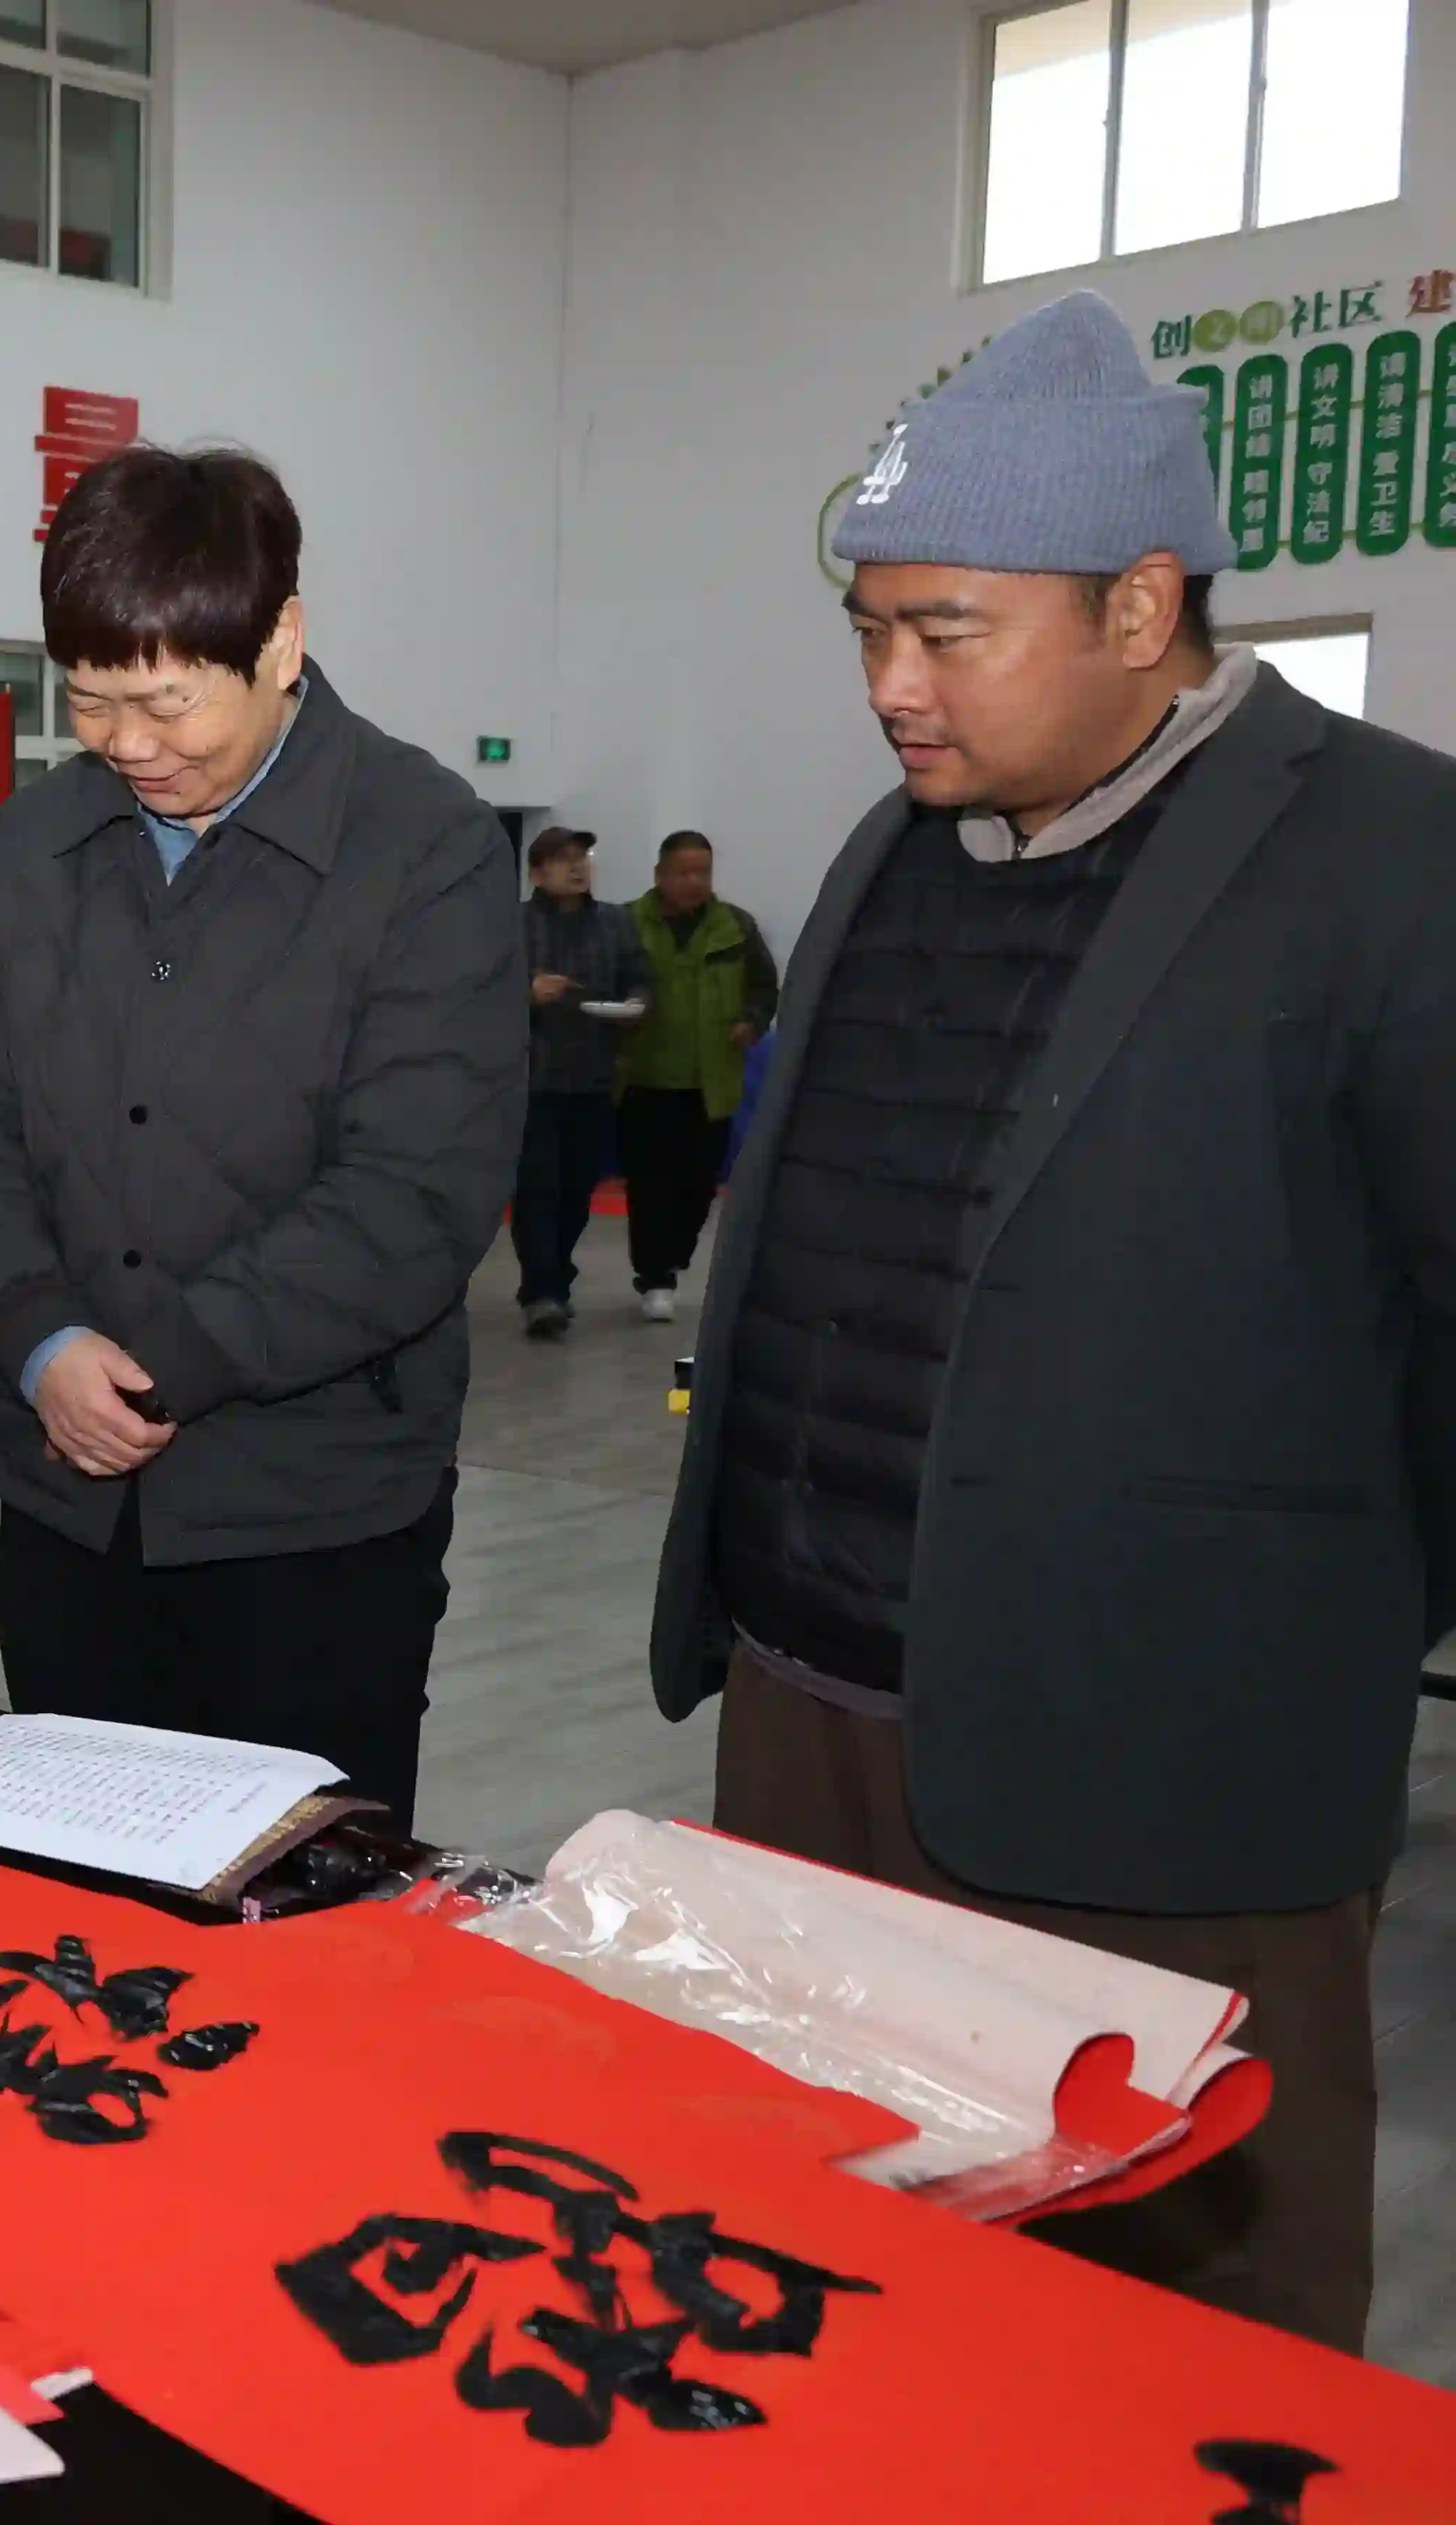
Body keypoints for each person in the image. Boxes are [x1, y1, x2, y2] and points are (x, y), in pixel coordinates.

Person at [654, 288, 1456, 2359]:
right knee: (838, 2270)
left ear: (1138, 607)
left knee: (1175, 2339)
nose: (889, 688)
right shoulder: (893, 846)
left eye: (944, 632)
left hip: (1162, 1759)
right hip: (812, 1714)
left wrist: (1311, 1619)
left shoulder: (1394, 856)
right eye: (867, 631)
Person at [0, 443, 523, 1824]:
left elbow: (413, 1192)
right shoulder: (35, 844)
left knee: (295, 1908)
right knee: (73, 1890)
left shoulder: (422, 848)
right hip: (65, 1505)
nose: (128, 745)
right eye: (88, 700)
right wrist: (37, 1338)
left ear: (279, 642)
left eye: (166, 702)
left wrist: (162, 1366)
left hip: (310, 1515)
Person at [613, 829, 778, 1321]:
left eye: (702, 872)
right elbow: (607, 980)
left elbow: (764, 987)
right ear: (660, 875)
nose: (693, 882)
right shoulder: (625, 924)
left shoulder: (736, 927)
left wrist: (752, 1020)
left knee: (699, 1186)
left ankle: (673, 1259)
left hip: (711, 1083)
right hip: (643, 1079)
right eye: (683, 872)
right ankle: (655, 1277)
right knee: (649, 1186)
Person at [512, 825, 653, 1339]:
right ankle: (541, 1291)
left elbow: (641, 978)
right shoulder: (513, 925)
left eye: (583, 856)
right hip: (533, 1080)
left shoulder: (616, 923)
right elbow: (477, 991)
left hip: (594, 1076)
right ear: (536, 874)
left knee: (576, 1190)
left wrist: (637, 1004)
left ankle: (557, 1278)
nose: (577, 867)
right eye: (562, 859)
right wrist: (528, 993)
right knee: (538, 1188)